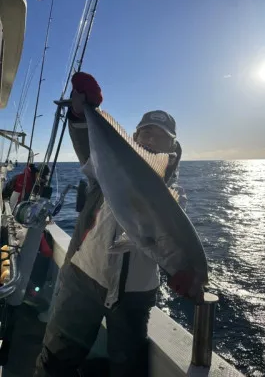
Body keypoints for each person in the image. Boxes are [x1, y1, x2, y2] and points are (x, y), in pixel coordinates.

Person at [34, 72, 194, 377]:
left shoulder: (175, 196)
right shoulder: (104, 168)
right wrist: (81, 114)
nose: (149, 138)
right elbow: (86, 148)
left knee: (127, 367)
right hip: (84, 274)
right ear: (133, 137)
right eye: (144, 132)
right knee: (56, 357)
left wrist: (181, 269)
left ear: (172, 148)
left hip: (134, 295)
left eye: (158, 135)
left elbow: (167, 239)